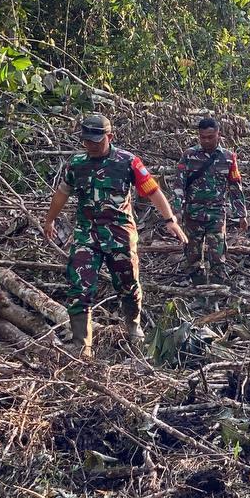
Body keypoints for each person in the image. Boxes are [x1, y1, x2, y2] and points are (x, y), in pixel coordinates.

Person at [41, 114, 187, 356]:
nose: (91, 146)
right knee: (79, 288)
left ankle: (133, 327)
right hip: (86, 236)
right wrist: (50, 220)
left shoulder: (127, 162)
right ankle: (82, 347)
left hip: (119, 235)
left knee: (128, 286)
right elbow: (62, 193)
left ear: (110, 137)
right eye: (87, 141)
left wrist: (170, 220)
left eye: (97, 141)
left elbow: (153, 191)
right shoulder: (76, 164)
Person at [174, 118, 247, 286]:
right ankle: (196, 288)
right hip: (193, 214)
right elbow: (179, 184)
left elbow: (235, 187)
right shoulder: (189, 155)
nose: (206, 140)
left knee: (217, 256)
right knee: (192, 255)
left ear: (218, 135)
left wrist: (241, 215)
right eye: (202, 137)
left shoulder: (229, 158)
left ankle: (217, 290)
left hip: (216, 214)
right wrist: (176, 211)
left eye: (210, 137)